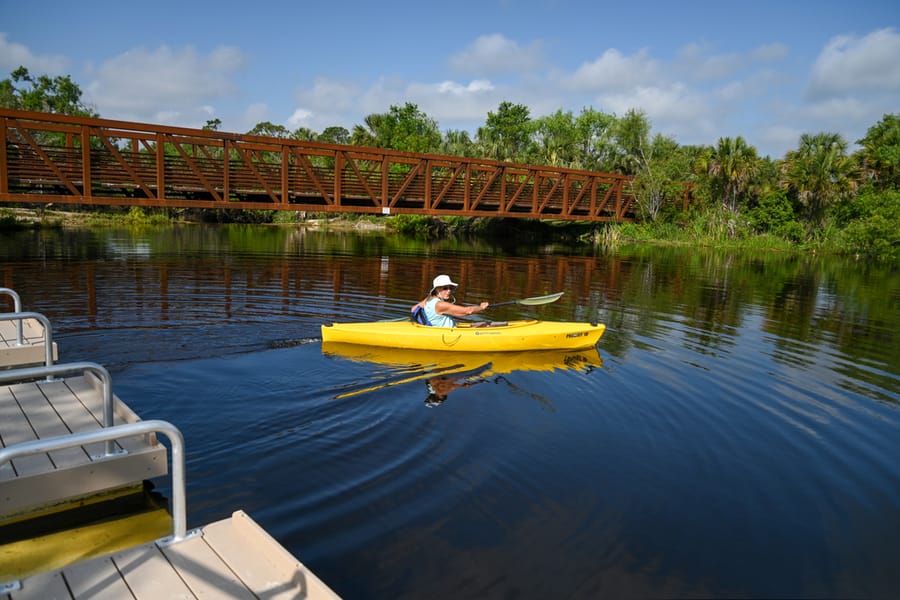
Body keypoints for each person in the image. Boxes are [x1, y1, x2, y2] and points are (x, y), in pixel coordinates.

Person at [412, 274, 489, 328]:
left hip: (441, 330)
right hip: (446, 334)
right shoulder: (440, 305)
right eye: (445, 288)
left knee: (485, 325)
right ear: (437, 289)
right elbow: (467, 311)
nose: (449, 291)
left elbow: (413, 309)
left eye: (450, 288)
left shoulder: (428, 299)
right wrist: (481, 307)